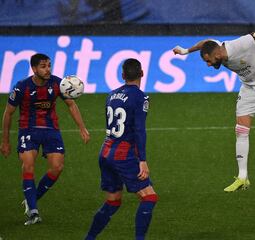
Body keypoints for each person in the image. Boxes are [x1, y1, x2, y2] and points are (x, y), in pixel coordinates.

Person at [173, 31, 255, 192]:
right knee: (241, 130)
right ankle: (243, 178)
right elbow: (204, 43)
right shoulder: (214, 46)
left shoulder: (241, 44)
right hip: (249, 87)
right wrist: (185, 51)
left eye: (208, 61)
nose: (208, 65)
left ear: (216, 53)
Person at [0, 53, 90, 225]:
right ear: (34, 69)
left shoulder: (57, 83)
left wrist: (82, 127)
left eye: (49, 65)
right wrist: (5, 141)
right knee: (28, 165)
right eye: (43, 66)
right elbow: (8, 113)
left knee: (57, 167)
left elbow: (71, 104)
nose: (47, 69)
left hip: (51, 130)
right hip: (28, 130)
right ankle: (33, 212)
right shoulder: (22, 87)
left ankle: (31, 198)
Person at [84, 58, 158, 240]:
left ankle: (89, 238)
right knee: (149, 197)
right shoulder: (141, 97)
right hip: (124, 155)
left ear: (123, 75)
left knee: (113, 201)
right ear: (141, 73)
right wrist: (142, 160)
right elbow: (139, 130)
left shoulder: (111, 95)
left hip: (106, 151)